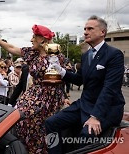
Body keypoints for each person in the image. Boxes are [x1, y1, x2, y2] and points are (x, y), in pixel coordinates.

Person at [45, 15, 125, 154]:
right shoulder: (86, 55)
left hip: (106, 108)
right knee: (51, 123)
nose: (85, 32)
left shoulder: (114, 54)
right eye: (84, 29)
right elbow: (80, 80)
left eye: (90, 29)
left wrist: (95, 117)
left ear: (102, 32)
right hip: (85, 104)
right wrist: (61, 71)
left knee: (84, 137)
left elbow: (109, 89)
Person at [0, 24, 66, 153]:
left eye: (34, 37)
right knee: (20, 118)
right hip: (34, 93)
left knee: (41, 125)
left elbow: (63, 78)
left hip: (50, 96)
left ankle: (40, 150)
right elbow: (12, 48)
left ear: (43, 40)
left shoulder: (57, 56)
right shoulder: (31, 53)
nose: (31, 39)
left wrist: (65, 97)